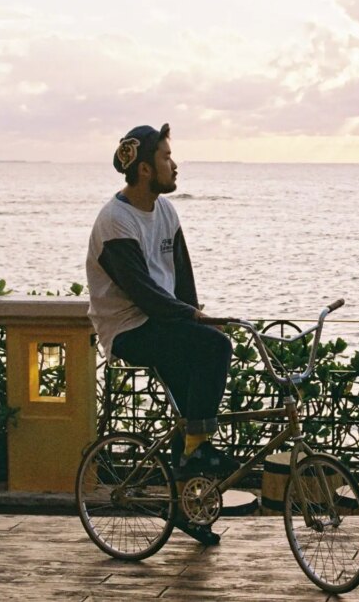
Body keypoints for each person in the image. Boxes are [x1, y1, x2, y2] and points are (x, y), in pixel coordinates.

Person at [86, 123, 238, 485]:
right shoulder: (115, 221)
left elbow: (182, 278)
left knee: (189, 408)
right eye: (166, 158)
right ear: (144, 169)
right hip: (129, 329)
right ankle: (197, 449)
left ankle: (184, 492)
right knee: (217, 347)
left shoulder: (166, 211)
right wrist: (192, 318)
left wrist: (196, 314)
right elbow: (144, 293)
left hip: (161, 323)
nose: (175, 165)